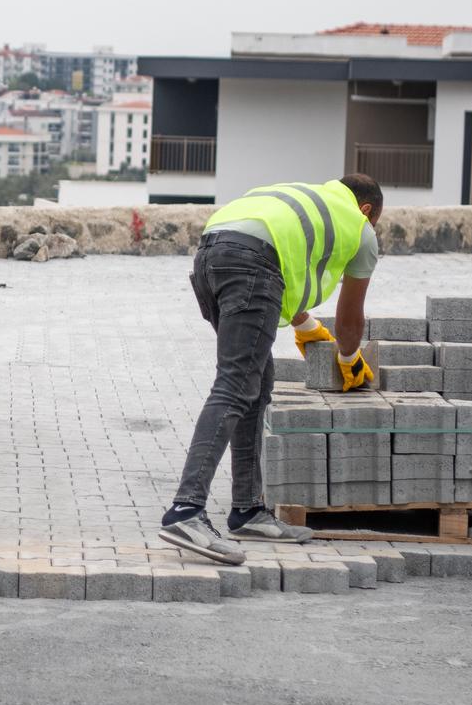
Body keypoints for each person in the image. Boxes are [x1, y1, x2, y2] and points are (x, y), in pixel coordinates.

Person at [158, 173, 385, 566]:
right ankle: (186, 510)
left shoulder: (305, 197)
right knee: (234, 386)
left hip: (211, 255)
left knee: (257, 383)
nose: (372, 229)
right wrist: (349, 358)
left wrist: (304, 323)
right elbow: (350, 319)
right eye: (374, 222)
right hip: (251, 267)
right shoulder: (359, 227)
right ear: (367, 210)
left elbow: (276, 252)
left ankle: (247, 510)